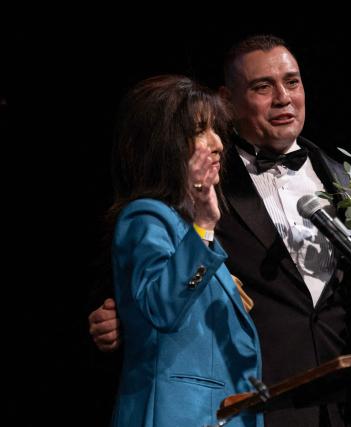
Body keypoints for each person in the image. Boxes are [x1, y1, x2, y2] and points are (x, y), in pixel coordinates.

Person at [89, 36, 351, 426]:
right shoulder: (201, 182)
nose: (283, 97)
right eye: (262, 86)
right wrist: (116, 315)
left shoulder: (349, 181)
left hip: (346, 400)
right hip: (254, 402)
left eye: (292, 82)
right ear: (228, 101)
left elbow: (350, 296)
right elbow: (141, 275)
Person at [106, 74, 261, 427]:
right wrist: (205, 225)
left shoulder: (185, 228)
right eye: (200, 131)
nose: (218, 143)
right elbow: (161, 307)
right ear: (166, 146)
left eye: (215, 129)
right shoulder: (145, 216)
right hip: (176, 414)